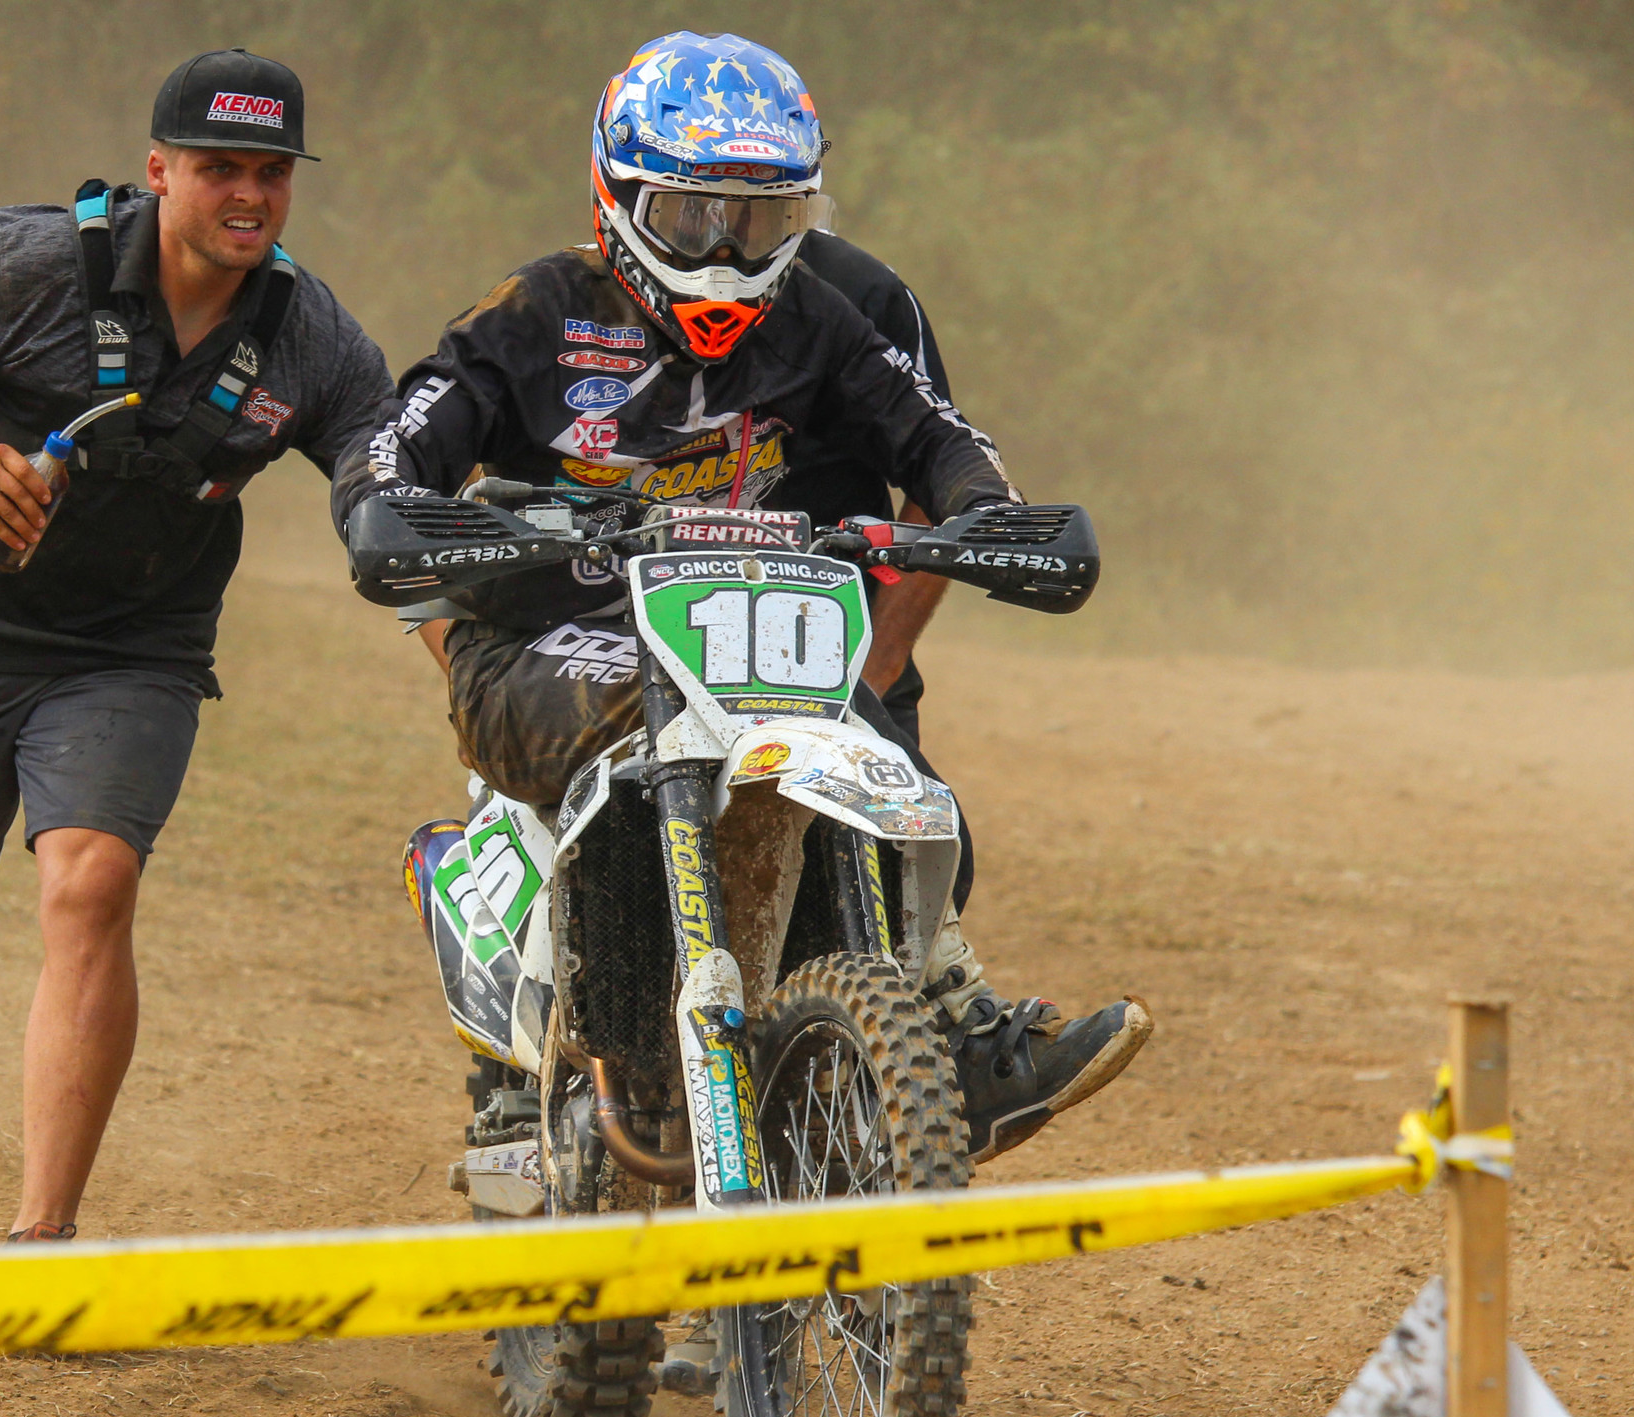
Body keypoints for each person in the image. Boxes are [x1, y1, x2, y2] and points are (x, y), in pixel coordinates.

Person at [333, 31, 1150, 1164]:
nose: (724, 255)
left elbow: (938, 438)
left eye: (758, 222)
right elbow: (396, 446)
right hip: (543, 642)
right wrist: (394, 507)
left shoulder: (820, 318)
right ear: (620, 197)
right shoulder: (534, 312)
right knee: (667, 722)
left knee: (893, 781)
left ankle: (903, 1028)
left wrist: (986, 515)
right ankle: (547, 1057)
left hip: (735, 630)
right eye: (691, 218)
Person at [0, 48, 391, 1249]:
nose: (247, 196)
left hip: (134, 647)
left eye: (270, 172)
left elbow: (383, 458)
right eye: (218, 171)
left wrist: (433, 574)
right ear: (160, 172)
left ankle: (44, 1244)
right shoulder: (40, 264)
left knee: (92, 881)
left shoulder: (310, 338)